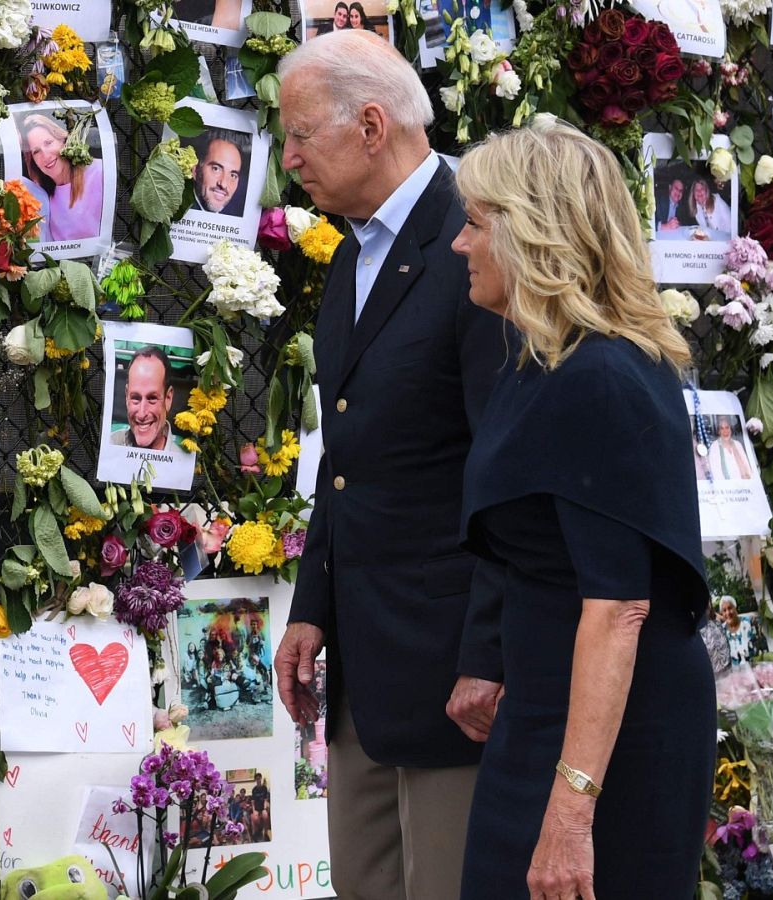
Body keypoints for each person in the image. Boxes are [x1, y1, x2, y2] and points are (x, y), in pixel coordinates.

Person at [272, 31, 510, 900]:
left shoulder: (477, 241)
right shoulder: (352, 254)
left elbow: (501, 468)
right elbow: (349, 454)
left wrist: (489, 651)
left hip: (454, 676)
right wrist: (311, 608)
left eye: (301, 135)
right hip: (365, 673)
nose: (289, 159)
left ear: (372, 126)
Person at [451, 116, 713, 899]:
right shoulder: (544, 359)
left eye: (475, 224)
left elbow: (619, 606)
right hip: (548, 718)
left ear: (532, 233)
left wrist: (570, 813)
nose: (460, 245)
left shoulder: (598, 377)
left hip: (609, 748)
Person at [20, 114, 105, 241]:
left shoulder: (99, 173)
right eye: (36, 151)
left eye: (48, 143)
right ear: (33, 161)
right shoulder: (38, 196)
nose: (45, 155)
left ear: (63, 140)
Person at [108, 347, 194, 466]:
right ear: (126, 396)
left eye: (152, 398)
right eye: (135, 398)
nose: (142, 414)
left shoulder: (185, 463)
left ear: (168, 398)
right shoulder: (109, 446)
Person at [192, 130, 246, 216]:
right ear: (195, 171)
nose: (223, 184)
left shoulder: (235, 217)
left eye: (233, 175)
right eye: (216, 169)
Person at [706, 414, 753, 480]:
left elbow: (747, 466)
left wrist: (750, 480)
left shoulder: (738, 444)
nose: (725, 431)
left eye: (727, 427)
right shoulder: (714, 447)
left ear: (730, 429)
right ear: (719, 432)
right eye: (722, 428)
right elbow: (716, 474)